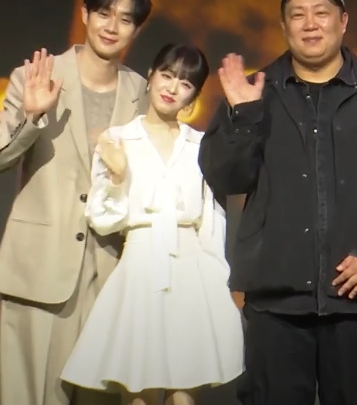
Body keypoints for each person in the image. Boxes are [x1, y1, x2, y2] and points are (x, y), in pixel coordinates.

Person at [198, 0, 357, 405]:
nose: (310, 24)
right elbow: (225, 178)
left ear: (343, 20)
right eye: (297, 15)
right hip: (277, 302)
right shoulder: (254, 92)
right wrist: (243, 116)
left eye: (321, 13)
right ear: (284, 26)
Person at [0, 0, 152, 405]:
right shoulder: (35, 77)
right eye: (103, 13)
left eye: (125, 19)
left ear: (137, 29)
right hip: (40, 271)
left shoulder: (141, 91)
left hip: (110, 277)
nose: (111, 26)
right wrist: (32, 117)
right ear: (84, 14)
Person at [60, 43, 245, 405]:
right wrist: (117, 176)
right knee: (138, 391)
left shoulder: (201, 146)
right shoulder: (118, 139)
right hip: (141, 267)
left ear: (194, 95)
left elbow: (212, 222)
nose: (172, 87)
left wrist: (217, 280)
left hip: (193, 271)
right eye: (167, 75)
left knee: (184, 392)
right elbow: (103, 219)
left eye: (185, 83)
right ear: (150, 75)